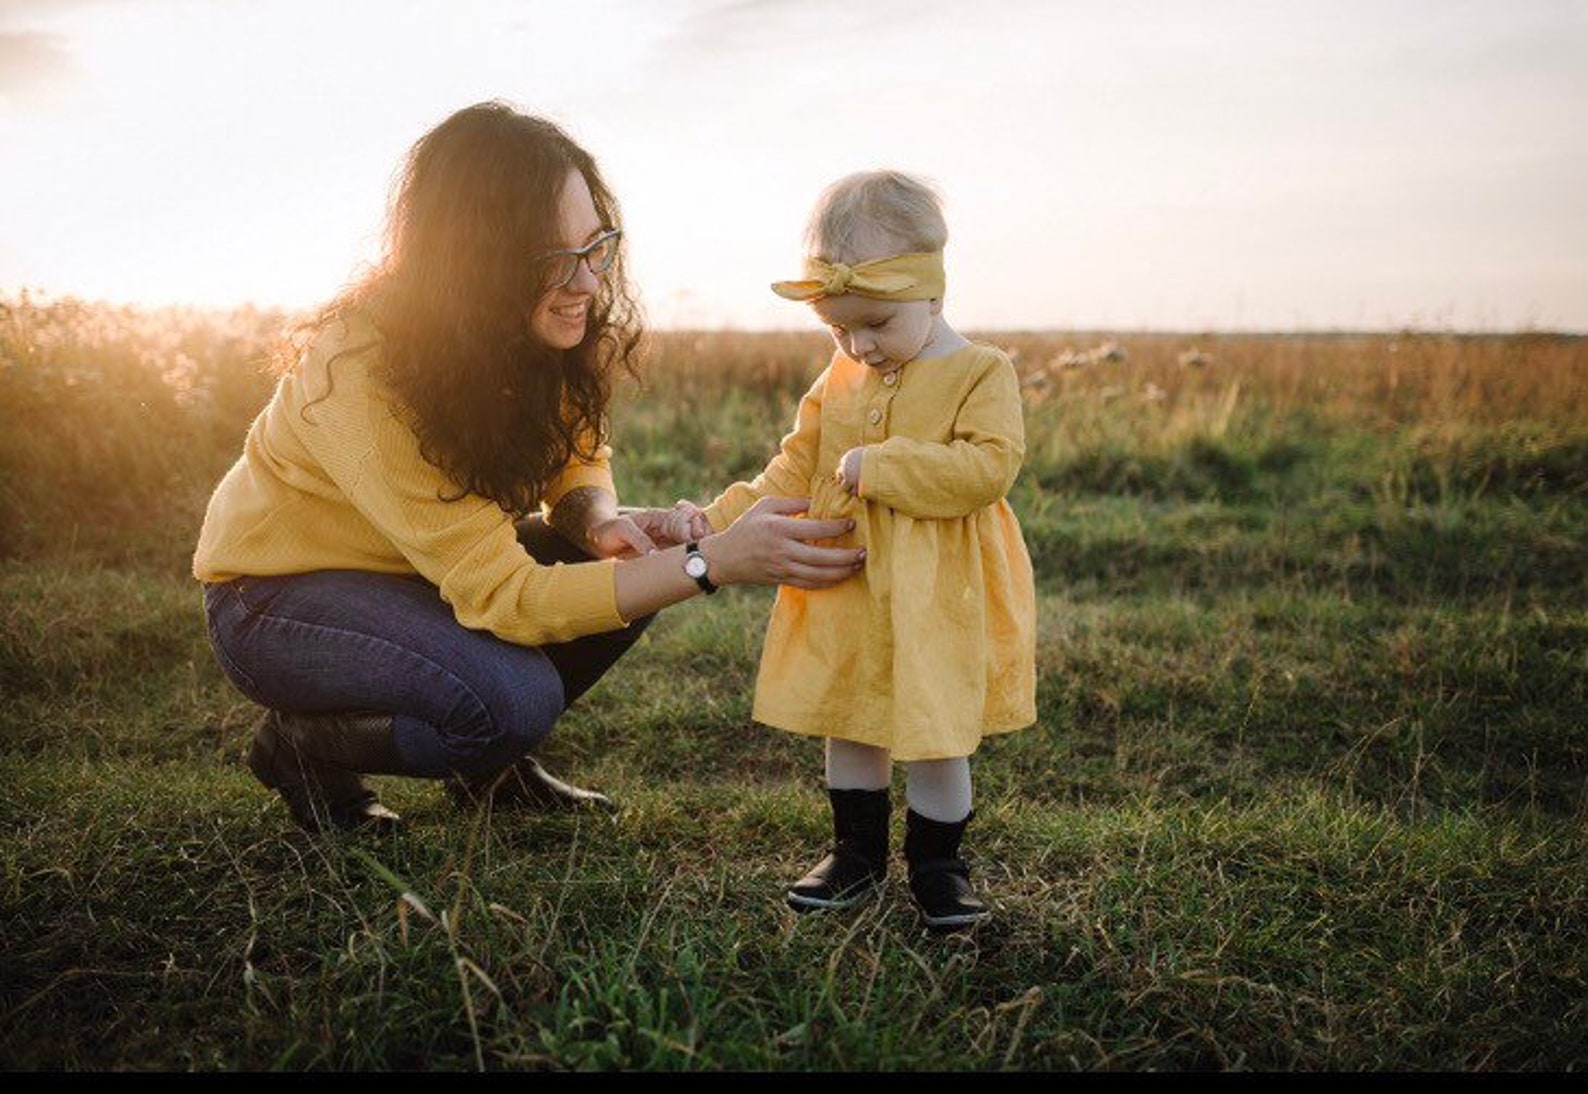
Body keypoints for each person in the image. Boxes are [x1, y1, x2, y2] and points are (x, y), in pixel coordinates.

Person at [192, 101, 866, 835]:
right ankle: (303, 747)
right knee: (511, 701)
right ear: (473, 265)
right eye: (552, 259)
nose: (586, 283)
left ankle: (489, 767)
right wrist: (712, 563)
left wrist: (599, 520)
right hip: (278, 600)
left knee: (638, 562)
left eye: (595, 246)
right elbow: (505, 598)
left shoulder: (534, 327)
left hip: (414, 575)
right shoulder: (362, 372)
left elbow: (580, 456)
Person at [663, 170, 1036, 928]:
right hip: (848, 580)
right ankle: (855, 853)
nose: (859, 345)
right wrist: (717, 518)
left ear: (933, 295)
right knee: (852, 716)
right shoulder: (840, 376)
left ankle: (939, 864)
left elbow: (988, 467)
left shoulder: (978, 372)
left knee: (935, 733)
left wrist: (887, 465)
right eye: (839, 330)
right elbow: (792, 469)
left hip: (938, 590)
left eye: (875, 324)